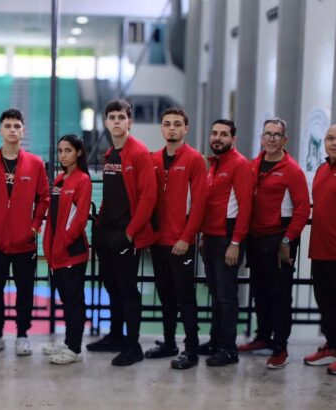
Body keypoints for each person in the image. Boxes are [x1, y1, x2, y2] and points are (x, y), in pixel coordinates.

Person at [87, 99, 158, 367]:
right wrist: (101, 228)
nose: (116, 121)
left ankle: (133, 345)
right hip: (107, 232)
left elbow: (148, 198)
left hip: (125, 233)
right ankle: (116, 336)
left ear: (130, 121)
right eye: (112, 117)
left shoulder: (139, 153)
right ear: (106, 123)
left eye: (121, 117)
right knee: (112, 287)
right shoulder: (110, 156)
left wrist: (130, 233)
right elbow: (110, 195)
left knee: (127, 290)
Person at [0, 109, 49, 356]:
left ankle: (22, 335)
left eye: (17, 125)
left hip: (24, 242)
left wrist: (34, 225)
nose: (12, 130)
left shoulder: (36, 163)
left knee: (24, 291)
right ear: (0, 130)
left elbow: (44, 198)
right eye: (8, 126)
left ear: (23, 130)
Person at [241, 118, 310, 369]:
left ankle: (280, 348)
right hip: (255, 239)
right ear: (261, 138)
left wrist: (287, 240)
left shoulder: (292, 170)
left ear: (284, 140)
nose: (271, 138)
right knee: (260, 292)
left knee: (280, 296)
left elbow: (302, 210)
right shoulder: (253, 165)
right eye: (267, 134)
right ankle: (263, 338)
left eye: (276, 135)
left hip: (279, 240)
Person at [147, 107, 206, 370]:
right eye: (167, 123)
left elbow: (200, 204)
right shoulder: (154, 159)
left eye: (177, 124)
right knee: (166, 296)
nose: (172, 128)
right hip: (158, 241)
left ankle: (191, 351)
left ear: (186, 129)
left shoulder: (194, 159)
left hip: (181, 242)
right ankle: (169, 343)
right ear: (161, 128)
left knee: (185, 298)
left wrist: (187, 237)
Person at [198, 119, 252, 367]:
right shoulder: (215, 165)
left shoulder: (239, 165)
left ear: (233, 139)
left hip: (227, 238)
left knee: (227, 297)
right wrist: (203, 236)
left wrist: (236, 242)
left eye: (224, 134)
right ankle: (215, 341)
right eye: (214, 133)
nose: (218, 138)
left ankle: (228, 349)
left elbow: (245, 207)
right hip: (211, 238)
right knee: (217, 295)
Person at [42, 134, 92, 365]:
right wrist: (51, 248)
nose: (63, 155)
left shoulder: (83, 180)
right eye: (60, 150)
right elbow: (53, 218)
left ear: (79, 153)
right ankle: (69, 342)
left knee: (74, 301)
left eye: (68, 150)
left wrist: (62, 245)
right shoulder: (59, 180)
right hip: (57, 254)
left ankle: (75, 349)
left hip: (72, 252)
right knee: (67, 301)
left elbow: (79, 220)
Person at [305, 124, 336, 376]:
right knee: (325, 302)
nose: (333, 142)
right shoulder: (323, 169)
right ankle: (332, 346)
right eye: (330, 138)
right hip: (320, 250)